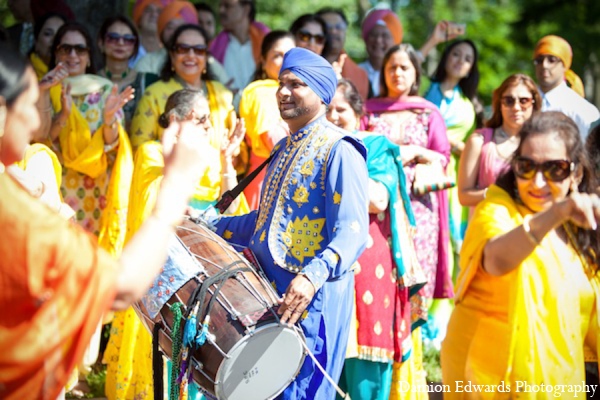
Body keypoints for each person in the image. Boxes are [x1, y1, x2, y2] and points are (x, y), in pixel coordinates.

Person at [0, 42, 210, 400]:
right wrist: (175, 188)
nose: (37, 120)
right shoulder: (14, 212)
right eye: (31, 105)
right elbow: (120, 286)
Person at [206, 47, 369, 399]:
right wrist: (207, 224)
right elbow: (265, 223)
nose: (283, 92)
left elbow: (353, 230)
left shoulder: (340, 149)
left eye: (296, 84)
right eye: (281, 83)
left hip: (312, 301)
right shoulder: (283, 150)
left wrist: (312, 276)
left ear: (322, 94)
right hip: (267, 296)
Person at [442, 111, 600, 397]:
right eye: (526, 167)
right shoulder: (497, 209)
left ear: (576, 173)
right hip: (492, 384)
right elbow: (496, 259)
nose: (538, 183)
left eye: (555, 169)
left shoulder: (583, 230)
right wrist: (556, 212)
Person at [106, 88, 245, 400]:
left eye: (211, 118)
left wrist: (226, 160)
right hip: (174, 273)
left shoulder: (209, 158)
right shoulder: (152, 154)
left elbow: (235, 213)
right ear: (175, 120)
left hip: (211, 271)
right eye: (202, 118)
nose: (210, 126)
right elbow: (155, 207)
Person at [327, 79, 427, 400]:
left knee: (365, 365)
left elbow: (378, 199)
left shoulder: (375, 146)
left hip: (368, 268)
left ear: (358, 113)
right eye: (325, 110)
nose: (332, 117)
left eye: (340, 109)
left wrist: (332, 168)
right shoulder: (313, 146)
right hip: (324, 265)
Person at [361, 43, 451, 397]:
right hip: (380, 210)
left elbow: (442, 157)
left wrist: (413, 157)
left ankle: (413, 361)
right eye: (391, 67)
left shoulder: (428, 113)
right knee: (383, 276)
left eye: (404, 68)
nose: (397, 73)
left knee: (415, 276)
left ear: (416, 73)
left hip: (418, 208)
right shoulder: (369, 111)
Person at [131, 24, 244, 207]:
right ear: (172, 55)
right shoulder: (154, 93)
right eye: (183, 49)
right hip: (169, 193)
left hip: (219, 191)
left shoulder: (221, 93)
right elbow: (140, 151)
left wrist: (228, 157)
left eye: (199, 50)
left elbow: (236, 152)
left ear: (207, 56)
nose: (191, 55)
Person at [458, 74, 541, 208]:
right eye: (509, 100)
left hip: (528, 224)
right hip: (488, 224)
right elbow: (463, 196)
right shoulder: (479, 141)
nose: (516, 107)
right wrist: (498, 194)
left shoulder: (541, 144)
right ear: (499, 104)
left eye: (523, 101)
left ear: (534, 104)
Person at [239, 30, 294, 209]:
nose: (285, 61)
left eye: (290, 55)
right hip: (267, 179)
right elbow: (273, 139)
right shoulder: (261, 92)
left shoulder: (296, 90)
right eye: (277, 55)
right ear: (263, 61)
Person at [97, 15, 159, 131]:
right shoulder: (90, 81)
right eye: (113, 37)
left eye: (128, 39)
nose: (120, 43)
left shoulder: (149, 81)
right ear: (101, 43)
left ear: (135, 47)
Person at [533, 35, 599, 138]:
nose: (544, 65)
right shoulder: (521, 102)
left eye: (552, 60)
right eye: (539, 60)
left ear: (564, 65)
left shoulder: (581, 109)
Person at [210, 0, 269, 107]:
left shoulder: (265, 41)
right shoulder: (215, 46)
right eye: (220, 6)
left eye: (227, 6)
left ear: (246, 9)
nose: (221, 10)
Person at [316, 7, 369, 100]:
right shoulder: (302, 68)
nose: (333, 31)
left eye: (338, 27)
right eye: (327, 27)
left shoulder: (361, 75)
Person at [358, 8, 403, 97]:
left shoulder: (399, 75)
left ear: (394, 42)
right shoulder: (354, 72)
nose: (378, 40)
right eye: (374, 35)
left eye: (385, 36)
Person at [129, 0, 171, 68]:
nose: (154, 15)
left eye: (159, 11)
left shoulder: (171, 53)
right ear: (139, 19)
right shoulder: (126, 47)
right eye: (148, 10)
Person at [29, 12, 68, 79]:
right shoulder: (22, 74)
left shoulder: (74, 77)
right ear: (36, 42)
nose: (54, 39)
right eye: (48, 34)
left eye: (60, 35)